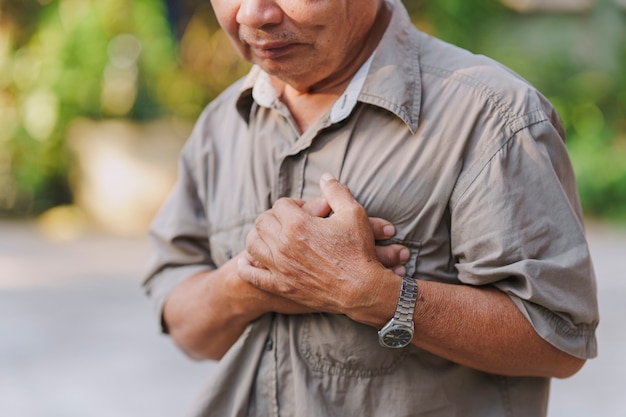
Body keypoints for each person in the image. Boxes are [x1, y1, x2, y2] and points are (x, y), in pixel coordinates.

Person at [142, 0, 599, 415]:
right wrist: (251, 282)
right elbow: (188, 328)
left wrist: (372, 294)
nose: (253, 15)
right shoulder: (220, 125)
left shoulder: (492, 115)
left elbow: (559, 341)